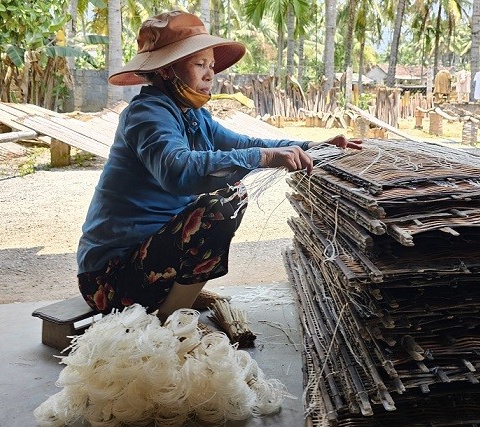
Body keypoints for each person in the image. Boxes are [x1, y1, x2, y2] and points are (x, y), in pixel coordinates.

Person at [76, 10, 362, 321]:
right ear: (167, 70)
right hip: (110, 279)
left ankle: (173, 300)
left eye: (211, 65)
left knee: (229, 192)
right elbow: (177, 170)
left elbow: (242, 144)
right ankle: (167, 325)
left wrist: (310, 147)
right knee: (226, 200)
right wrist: (263, 159)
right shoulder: (147, 114)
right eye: (199, 64)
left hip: (146, 264)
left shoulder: (193, 116)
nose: (211, 74)